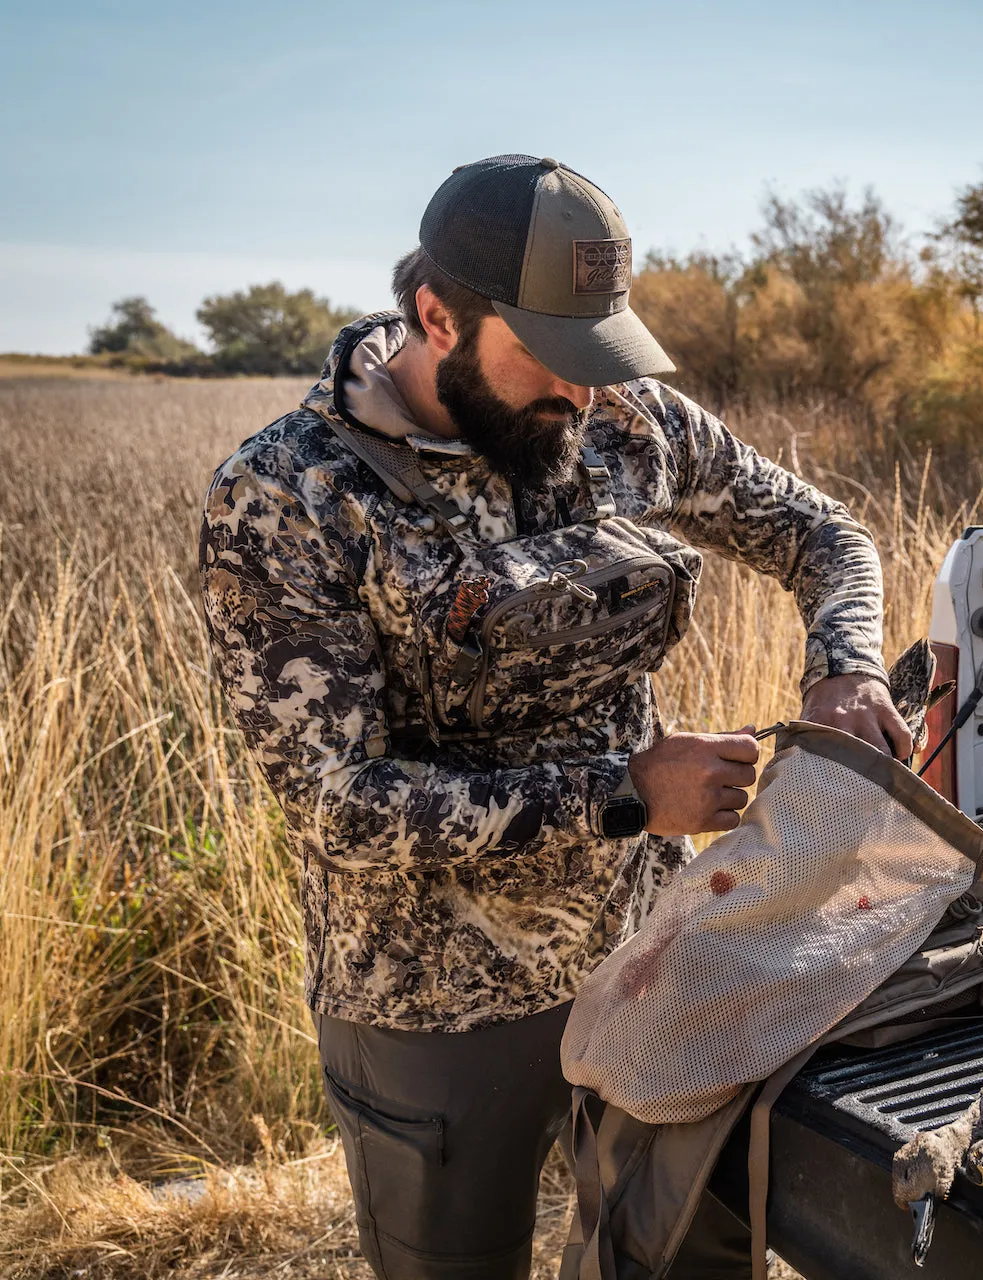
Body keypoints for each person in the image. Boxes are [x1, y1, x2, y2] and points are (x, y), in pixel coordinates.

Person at [199, 153, 910, 1280]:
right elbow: (336, 801)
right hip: (431, 1002)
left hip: (652, 957)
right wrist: (628, 792)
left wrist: (847, 666)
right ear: (436, 314)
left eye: (600, 356)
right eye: (551, 358)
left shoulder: (628, 421)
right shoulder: (289, 495)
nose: (581, 394)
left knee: (675, 1255)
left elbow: (825, 534)